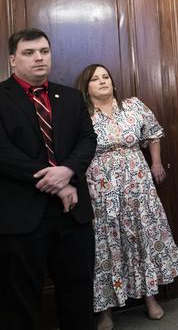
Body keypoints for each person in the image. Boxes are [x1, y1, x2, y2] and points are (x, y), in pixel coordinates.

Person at [0, 28, 97, 330]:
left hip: (73, 215)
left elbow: (87, 139)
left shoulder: (69, 96)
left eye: (44, 51)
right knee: (20, 302)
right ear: (13, 60)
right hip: (22, 216)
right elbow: (3, 152)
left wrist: (67, 171)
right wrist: (56, 182)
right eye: (29, 53)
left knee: (78, 294)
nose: (39, 58)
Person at [75, 64, 178, 329]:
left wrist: (156, 162)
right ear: (85, 87)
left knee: (142, 237)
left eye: (106, 77)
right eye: (95, 79)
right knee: (106, 245)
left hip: (138, 184)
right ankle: (106, 310)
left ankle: (150, 298)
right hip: (100, 189)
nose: (102, 81)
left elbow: (154, 132)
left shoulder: (133, 106)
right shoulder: (81, 114)